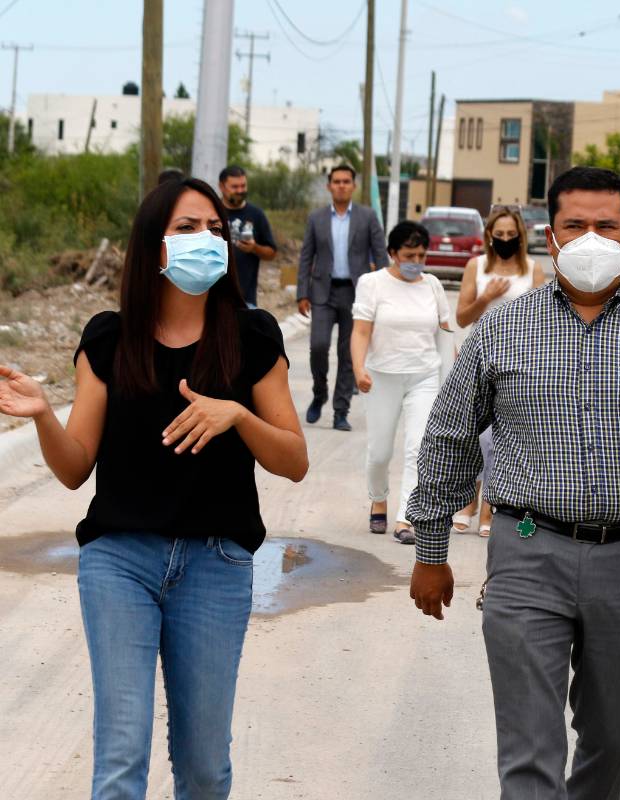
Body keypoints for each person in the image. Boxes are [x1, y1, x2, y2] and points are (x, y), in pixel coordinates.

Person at [405, 166, 620, 799]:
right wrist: (431, 552)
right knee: (530, 751)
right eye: (575, 225)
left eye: (606, 225)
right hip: (527, 553)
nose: (590, 236)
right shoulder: (502, 331)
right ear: (550, 235)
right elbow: (449, 438)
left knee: (613, 739)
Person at [0, 177, 308, 798]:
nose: (207, 240)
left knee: (202, 767)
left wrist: (238, 416)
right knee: (120, 759)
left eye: (216, 230)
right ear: (154, 247)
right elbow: (73, 467)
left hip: (216, 564)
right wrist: (42, 416)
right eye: (189, 228)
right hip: (119, 562)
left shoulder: (251, 338)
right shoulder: (109, 339)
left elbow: (295, 461)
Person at [351, 220, 452, 543]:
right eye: (409, 255)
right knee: (380, 452)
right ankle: (378, 497)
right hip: (382, 376)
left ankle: (405, 517)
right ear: (393, 253)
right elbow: (361, 330)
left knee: (418, 447)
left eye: (422, 255)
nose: (417, 262)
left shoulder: (433, 286)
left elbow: (445, 332)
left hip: (423, 376)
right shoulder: (372, 283)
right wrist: (358, 368)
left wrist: (450, 376)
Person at [451, 206, 547, 536]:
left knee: (498, 439)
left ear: (520, 236)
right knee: (473, 436)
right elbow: (462, 318)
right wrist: (486, 297)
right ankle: (470, 501)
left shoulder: (533, 271)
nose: (505, 240)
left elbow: (542, 321)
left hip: (518, 362)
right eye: (499, 234)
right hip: (478, 358)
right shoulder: (475, 267)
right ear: (489, 235)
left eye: (511, 235)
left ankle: (489, 507)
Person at [296, 164, 389, 432]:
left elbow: (380, 256)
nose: (341, 185)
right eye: (336, 181)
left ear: (353, 185)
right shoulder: (316, 218)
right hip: (322, 292)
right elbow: (306, 257)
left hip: (356, 293)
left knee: (349, 354)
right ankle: (319, 392)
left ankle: (341, 410)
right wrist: (302, 292)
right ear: (329, 186)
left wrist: (384, 292)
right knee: (318, 345)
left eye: (346, 181)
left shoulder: (367, 217)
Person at [219, 164, 278, 309]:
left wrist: (254, 248)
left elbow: (271, 253)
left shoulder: (256, 214)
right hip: (212, 299)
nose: (240, 190)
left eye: (243, 186)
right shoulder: (212, 211)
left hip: (246, 300)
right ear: (221, 186)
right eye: (235, 187)